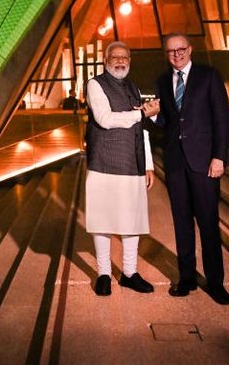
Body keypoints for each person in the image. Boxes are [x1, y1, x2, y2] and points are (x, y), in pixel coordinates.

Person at [152, 32, 229, 305]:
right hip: (175, 164)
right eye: (171, 51)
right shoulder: (163, 81)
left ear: (190, 49)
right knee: (182, 224)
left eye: (181, 49)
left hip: (204, 164)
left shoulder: (209, 76)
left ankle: (216, 282)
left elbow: (222, 119)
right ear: (166, 54)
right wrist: (153, 116)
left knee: (208, 223)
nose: (177, 54)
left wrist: (219, 157)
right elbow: (168, 122)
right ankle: (187, 278)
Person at [85, 40, 158, 296]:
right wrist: (142, 114)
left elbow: (142, 131)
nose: (120, 60)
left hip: (133, 164)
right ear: (105, 61)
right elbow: (104, 119)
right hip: (103, 162)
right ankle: (103, 273)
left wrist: (148, 164)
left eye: (124, 57)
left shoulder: (133, 87)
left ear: (129, 61)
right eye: (114, 57)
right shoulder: (95, 84)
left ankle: (129, 273)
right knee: (102, 221)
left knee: (132, 222)